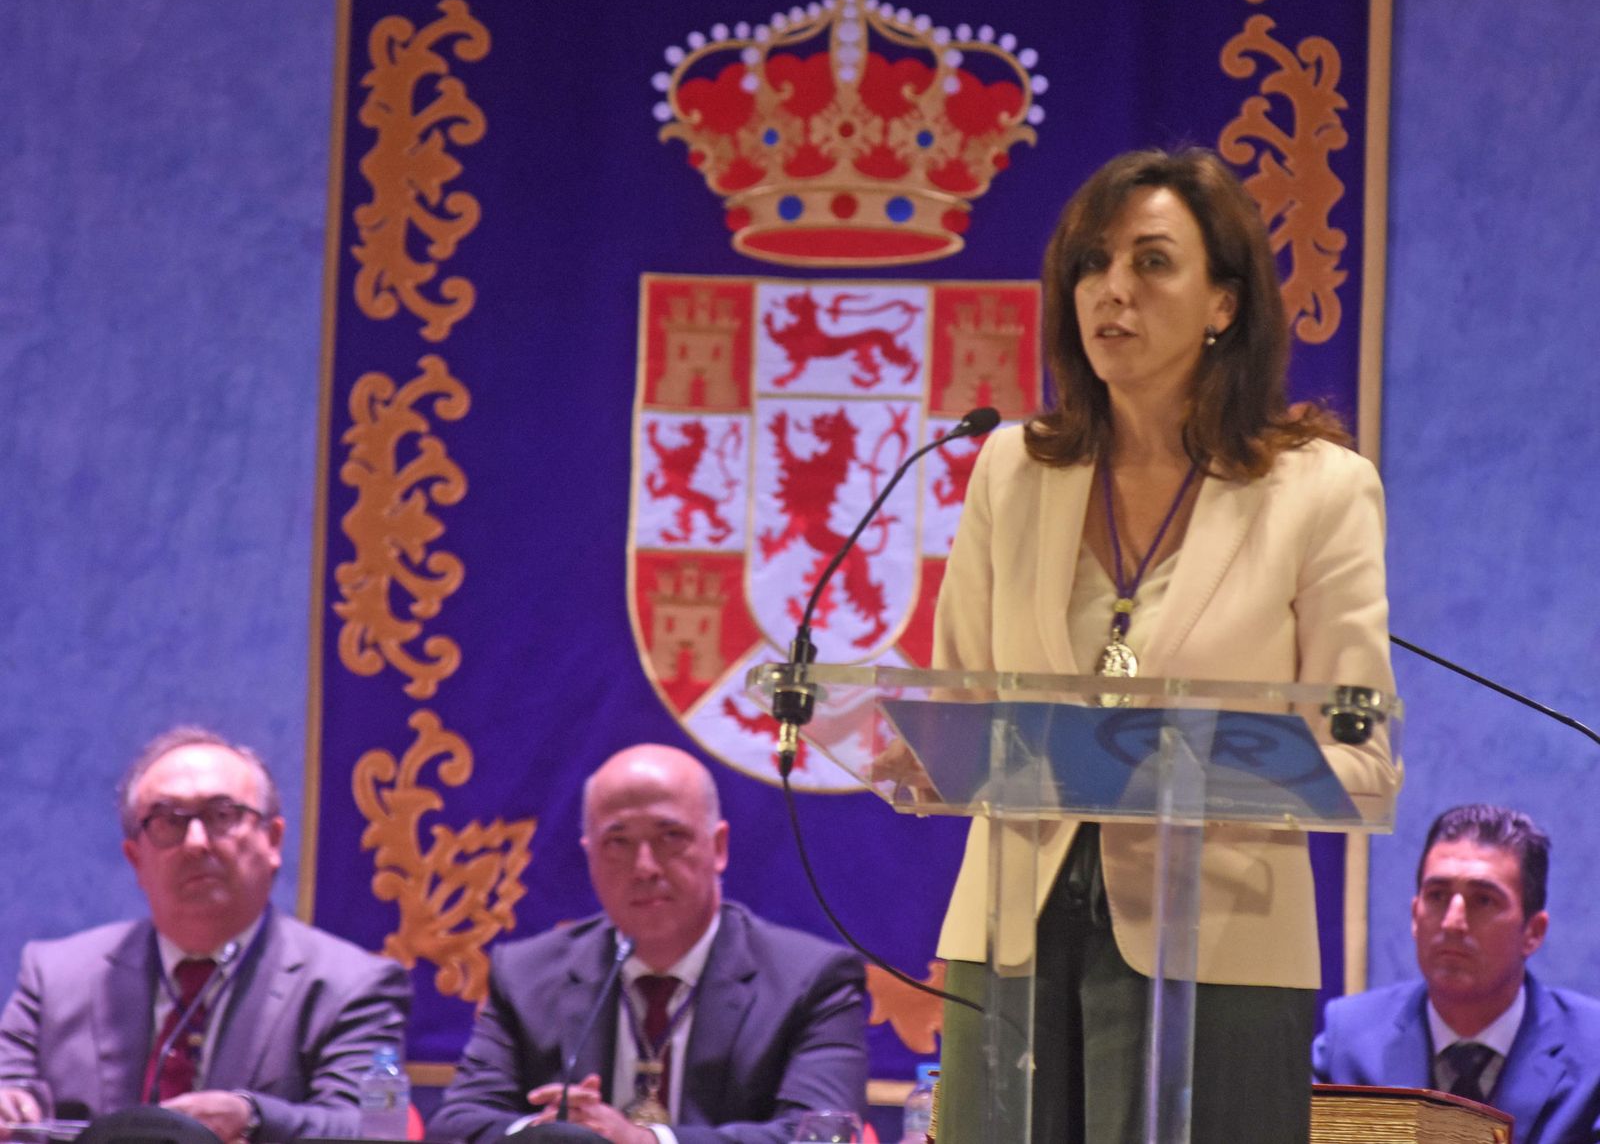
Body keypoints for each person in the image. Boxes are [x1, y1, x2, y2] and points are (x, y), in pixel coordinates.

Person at [929, 147, 1401, 1143]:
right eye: (1093, 265)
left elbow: (1359, 757)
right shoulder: (1009, 471)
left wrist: (1202, 761)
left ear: (1222, 302)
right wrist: (913, 746)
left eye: (1150, 263)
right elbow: (956, 704)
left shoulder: (1319, 489)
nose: (1113, 291)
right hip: (1010, 936)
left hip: (1218, 951)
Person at [428, 743, 868, 1144]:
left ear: (718, 847)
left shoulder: (812, 982)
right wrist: (551, 1134)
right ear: (591, 857)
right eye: (617, 842)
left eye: (669, 837)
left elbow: (819, 1135)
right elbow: (456, 1125)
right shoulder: (525, 975)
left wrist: (647, 1142)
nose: (644, 867)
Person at [0, 727, 410, 1142]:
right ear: (135, 857)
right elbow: (8, 1082)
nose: (196, 843)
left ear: (273, 840)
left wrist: (252, 1116)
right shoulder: (55, 976)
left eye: (222, 816)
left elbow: (371, 1131)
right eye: (168, 822)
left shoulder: (350, 986)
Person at [1314, 805, 1600, 1144]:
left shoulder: (1593, 1052)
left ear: (1533, 932)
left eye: (1483, 900)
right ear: (1415, 916)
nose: (1452, 922)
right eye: (1437, 896)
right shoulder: (1348, 1039)